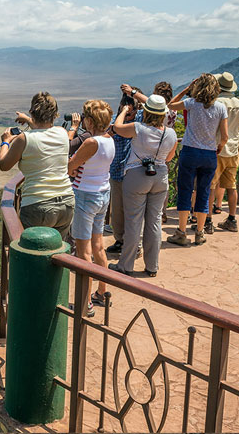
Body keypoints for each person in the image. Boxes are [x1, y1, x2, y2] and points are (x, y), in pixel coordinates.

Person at [108, 95, 177, 275]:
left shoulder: (139, 129)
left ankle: (126, 265)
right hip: (160, 176)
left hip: (137, 176)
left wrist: (123, 111)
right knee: (154, 222)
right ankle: (152, 266)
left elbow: (117, 127)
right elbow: (169, 157)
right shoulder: (170, 133)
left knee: (133, 222)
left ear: (145, 111)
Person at [0, 92, 74, 237]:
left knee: (31, 254)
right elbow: (43, 130)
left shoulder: (23, 139)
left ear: (33, 111)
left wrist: (5, 142)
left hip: (37, 204)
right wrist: (28, 119)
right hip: (66, 203)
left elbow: (4, 165)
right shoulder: (62, 133)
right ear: (55, 114)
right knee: (57, 253)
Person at [166, 74, 229, 246]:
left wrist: (186, 89)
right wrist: (219, 148)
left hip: (190, 152)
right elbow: (225, 136)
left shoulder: (191, 104)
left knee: (185, 191)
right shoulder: (221, 108)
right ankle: (200, 232)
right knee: (204, 192)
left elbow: (170, 105)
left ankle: (181, 232)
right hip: (209, 154)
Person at [68, 100, 115, 310]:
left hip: (85, 196)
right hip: (103, 194)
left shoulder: (91, 143)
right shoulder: (110, 140)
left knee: (83, 252)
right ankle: (102, 292)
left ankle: (85, 303)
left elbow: (70, 166)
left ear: (89, 120)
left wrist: (72, 167)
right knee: (98, 247)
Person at [105, 86, 144, 256]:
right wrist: (123, 113)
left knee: (133, 212)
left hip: (133, 173)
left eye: (132, 108)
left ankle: (135, 244)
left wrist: (134, 94)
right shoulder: (114, 121)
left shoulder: (141, 121)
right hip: (116, 171)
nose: (129, 112)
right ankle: (120, 240)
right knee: (118, 211)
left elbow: (158, 107)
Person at [208, 72, 239, 232]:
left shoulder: (215, 103)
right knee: (231, 186)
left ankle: (207, 220)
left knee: (210, 186)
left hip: (216, 149)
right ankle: (232, 218)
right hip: (233, 151)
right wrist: (238, 150)